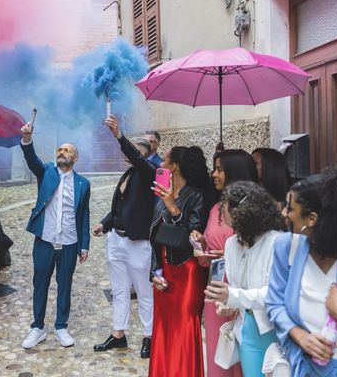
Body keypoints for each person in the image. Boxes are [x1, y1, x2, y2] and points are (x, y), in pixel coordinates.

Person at [266, 164, 337, 376]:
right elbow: (275, 303)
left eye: (290, 208)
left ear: (312, 219)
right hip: (304, 368)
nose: (284, 213)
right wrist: (299, 335)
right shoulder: (286, 247)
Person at [19, 122, 91, 349]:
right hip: (45, 240)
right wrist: (27, 139)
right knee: (40, 283)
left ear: (75, 158)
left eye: (67, 150)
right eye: (60, 149)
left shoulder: (83, 184)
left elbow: (84, 215)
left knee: (64, 284)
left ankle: (61, 326)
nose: (62, 152)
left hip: (70, 242)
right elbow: (32, 161)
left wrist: (85, 245)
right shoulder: (47, 172)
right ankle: (37, 327)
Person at [204, 181, 285, 376]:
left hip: (274, 329)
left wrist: (232, 296)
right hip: (246, 329)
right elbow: (236, 289)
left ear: (242, 210)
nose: (221, 209)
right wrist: (228, 304)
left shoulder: (276, 241)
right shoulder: (231, 244)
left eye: (226, 205)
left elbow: (272, 293)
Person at [92, 116, 156, 358]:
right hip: (116, 241)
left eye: (131, 149)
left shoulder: (150, 171)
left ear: (143, 153)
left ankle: (149, 335)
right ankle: (119, 334)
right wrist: (105, 223)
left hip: (138, 243)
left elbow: (138, 159)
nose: (124, 153)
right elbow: (120, 207)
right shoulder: (128, 174)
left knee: (144, 292)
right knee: (119, 291)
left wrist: (119, 136)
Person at [191, 149, 258, 377]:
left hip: (240, 286)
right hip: (216, 285)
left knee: (242, 351)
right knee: (219, 350)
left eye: (219, 169)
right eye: (214, 168)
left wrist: (229, 253)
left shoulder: (252, 212)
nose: (214, 174)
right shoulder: (215, 208)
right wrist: (203, 247)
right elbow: (211, 249)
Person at [148, 146, 210, 377]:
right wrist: (154, 270)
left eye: (164, 161)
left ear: (174, 166)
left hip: (188, 270)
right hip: (165, 268)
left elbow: (193, 239)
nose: (160, 165)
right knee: (163, 326)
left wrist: (174, 207)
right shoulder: (162, 192)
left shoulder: (196, 195)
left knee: (184, 326)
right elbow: (153, 236)